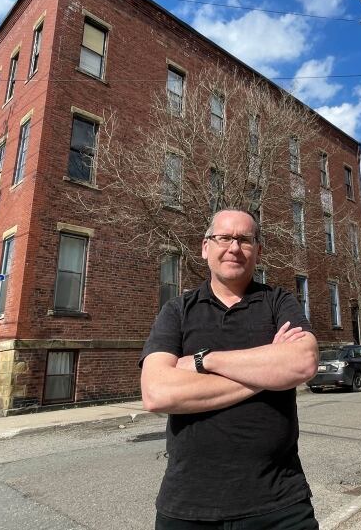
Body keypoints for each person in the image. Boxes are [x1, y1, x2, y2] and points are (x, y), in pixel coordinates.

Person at [140, 209, 320, 530]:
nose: (234, 247)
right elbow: (156, 392)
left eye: (245, 240)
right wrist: (269, 373)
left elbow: (303, 362)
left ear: (257, 250)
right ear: (205, 246)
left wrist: (202, 361)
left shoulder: (279, 302)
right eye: (224, 237)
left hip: (279, 503)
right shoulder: (178, 311)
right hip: (188, 506)